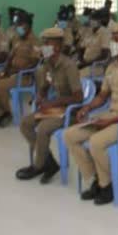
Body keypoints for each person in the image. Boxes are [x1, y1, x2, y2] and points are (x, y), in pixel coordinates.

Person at [63, 23, 118, 205]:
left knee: (96, 142)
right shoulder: (111, 67)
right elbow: (102, 96)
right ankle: (95, 180)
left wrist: (113, 120)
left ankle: (107, 187)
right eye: (112, 40)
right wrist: (87, 108)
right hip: (110, 117)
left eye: (117, 40)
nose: (113, 44)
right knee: (69, 135)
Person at [16, 27, 84, 183]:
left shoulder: (69, 66)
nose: (44, 46)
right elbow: (46, 85)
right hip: (54, 109)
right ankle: (49, 162)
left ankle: (39, 165)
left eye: (47, 43)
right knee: (25, 123)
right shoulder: (47, 64)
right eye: (43, 43)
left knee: (43, 128)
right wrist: (41, 95)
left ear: (58, 46)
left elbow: (78, 97)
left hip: (69, 111)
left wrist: (53, 102)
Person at [0, 11, 40, 127]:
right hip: (11, 71)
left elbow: (35, 62)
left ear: (27, 25)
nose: (17, 28)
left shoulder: (34, 41)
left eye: (19, 25)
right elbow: (10, 56)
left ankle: (8, 114)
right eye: (16, 25)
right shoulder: (16, 38)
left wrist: (17, 71)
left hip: (24, 76)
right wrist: (5, 69)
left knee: (1, 85)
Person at [77, 9, 111, 77]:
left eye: (95, 19)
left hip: (96, 66)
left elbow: (104, 54)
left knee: (77, 77)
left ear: (99, 21)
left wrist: (87, 63)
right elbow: (81, 48)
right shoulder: (89, 31)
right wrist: (81, 60)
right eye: (91, 19)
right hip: (84, 62)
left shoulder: (105, 32)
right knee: (68, 72)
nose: (92, 21)